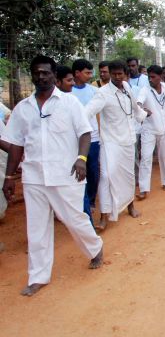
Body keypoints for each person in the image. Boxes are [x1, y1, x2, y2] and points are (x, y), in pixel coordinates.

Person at [2, 55, 104, 297]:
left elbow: (85, 134)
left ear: (54, 75)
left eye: (45, 73)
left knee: (74, 219)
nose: (41, 77)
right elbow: (15, 145)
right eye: (36, 73)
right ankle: (38, 276)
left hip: (65, 173)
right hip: (34, 175)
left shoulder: (69, 103)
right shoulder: (23, 108)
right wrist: (8, 178)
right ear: (32, 75)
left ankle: (95, 248)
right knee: (36, 228)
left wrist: (81, 159)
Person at [86, 60, 147, 230]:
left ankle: (130, 206)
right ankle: (104, 215)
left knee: (128, 177)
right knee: (106, 177)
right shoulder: (102, 93)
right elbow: (87, 113)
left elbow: (135, 108)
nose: (117, 77)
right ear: (109, 74)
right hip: (110, 142)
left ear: (125, 74)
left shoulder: (127, 87)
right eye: (114, 74)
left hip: (128, 140)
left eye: (120, 74)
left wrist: (143, 115)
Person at [71, 59, 102, 221]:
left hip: (94, 137)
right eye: (87, 73)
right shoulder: (67, 93)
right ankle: (79, 204)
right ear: (77, 73)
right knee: (78, 172)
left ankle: (90, 200)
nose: (90, 76)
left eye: (91, 73)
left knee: (93, 171)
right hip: (75, 140)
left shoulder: (93, 90)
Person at [136, 65, 165, 199]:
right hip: (149, 129)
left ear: (160, 76)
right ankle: (144, 189)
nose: (150, 79)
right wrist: (143, 111)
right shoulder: (145, 90)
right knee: (146, 157)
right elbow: (138, 103)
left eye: (153, 77)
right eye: (149, 77)